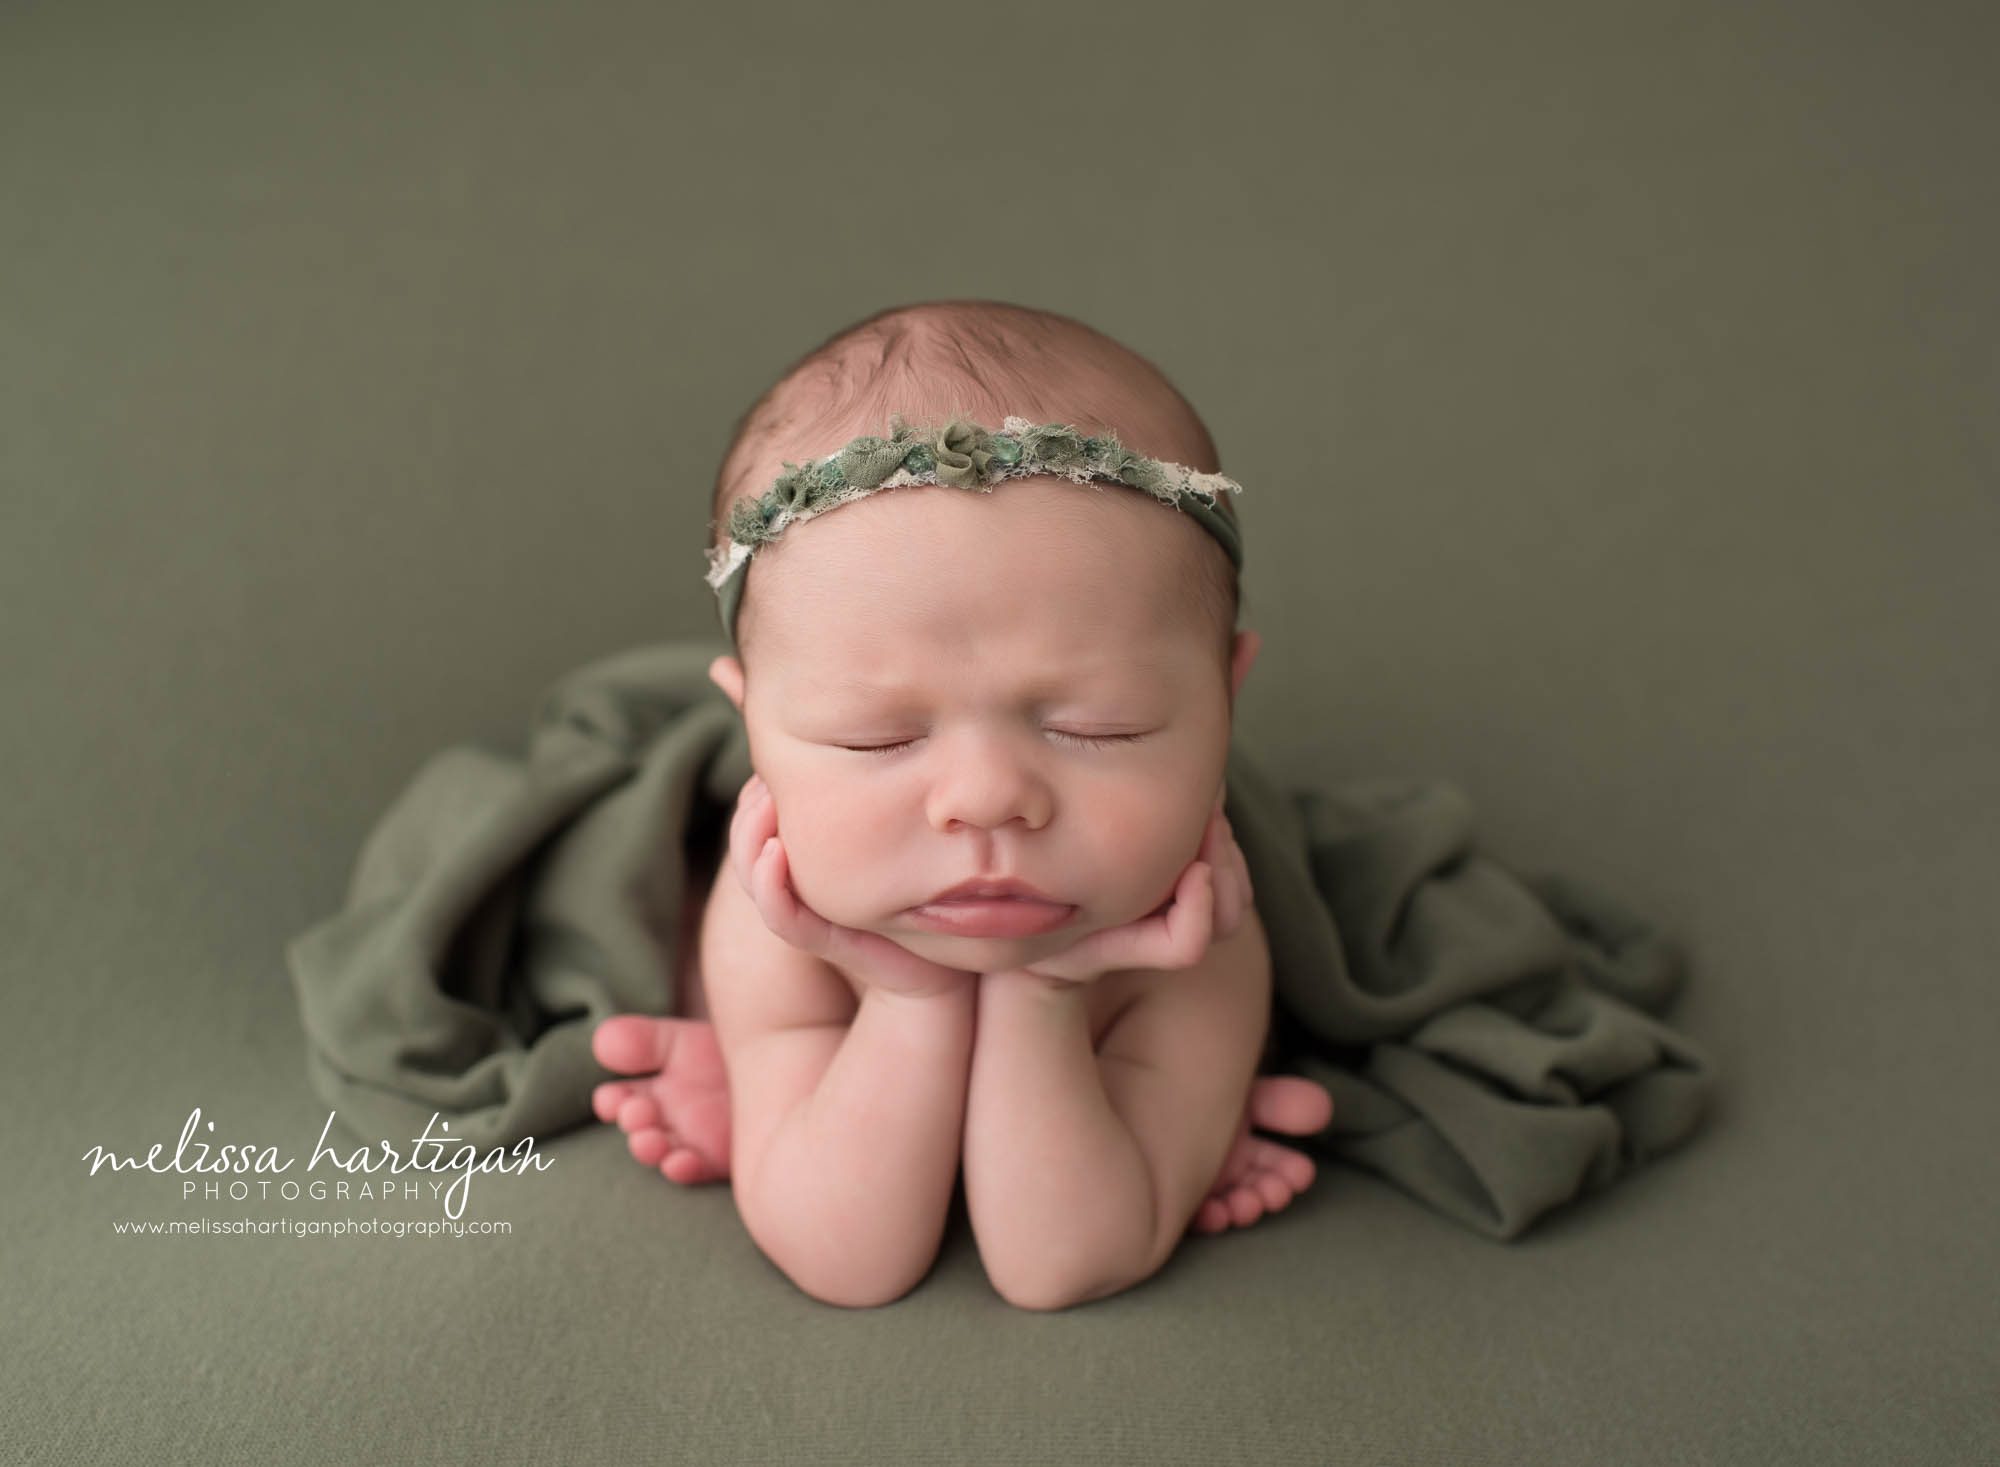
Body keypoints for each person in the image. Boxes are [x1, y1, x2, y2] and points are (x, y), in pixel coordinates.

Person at [589, 299, 1334, 1310]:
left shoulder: (1191, 924)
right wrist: (908, 996)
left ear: (1223, 699)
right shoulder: (783, 913)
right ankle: (743, 1056)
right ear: (753, 727)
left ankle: (788, 1093)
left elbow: (1060, 1262)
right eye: (875, 738)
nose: (986, 801)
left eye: (1100, 726)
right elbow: (848, 1263)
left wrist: (1046, 993)